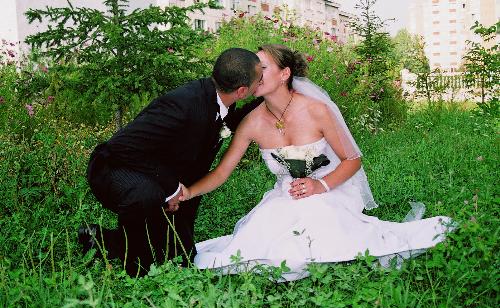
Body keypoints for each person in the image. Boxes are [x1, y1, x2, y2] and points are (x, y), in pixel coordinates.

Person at [180, 44, 453, 281]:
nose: (254, 74)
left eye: (262, 67)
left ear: (285, 74)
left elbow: (352, 159)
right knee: (254, 250)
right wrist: (188, 192)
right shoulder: (251, 123)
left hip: (329, 189)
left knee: (320, 235)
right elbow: (223, 171)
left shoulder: (316, 110)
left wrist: (319, 185)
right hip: (284, 197)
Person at [80, 48, 263, 277]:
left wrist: (269, 96)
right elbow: (121, 147)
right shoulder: (183, 104)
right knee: (145, 196)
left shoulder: (221, 96)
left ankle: (100, 240)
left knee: (183, 256)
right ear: (242, 90)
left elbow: (222, 123)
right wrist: (171, 188)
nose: (262, 81)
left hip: (154, 170)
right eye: (260, 80)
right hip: (115, 168)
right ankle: (137, 271)